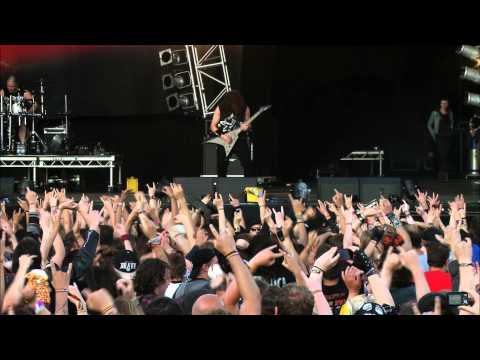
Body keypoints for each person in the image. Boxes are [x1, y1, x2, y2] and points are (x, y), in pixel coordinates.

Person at [210, 90, 253, 177]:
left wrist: (246, 127)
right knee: (221, 165)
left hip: (240, 139)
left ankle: (249, 186)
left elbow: (249, 125)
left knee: (247, 164)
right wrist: (222, 135)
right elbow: (213, 126)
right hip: (225, 140)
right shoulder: (220, 108)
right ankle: (221, 187)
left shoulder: (245, 108)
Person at [427, 98, 454, 181]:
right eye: (442, 103)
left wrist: (451, 130)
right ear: (440, 104)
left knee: (446, 156)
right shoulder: (435, 113)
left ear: (447, 104)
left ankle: (444, 176)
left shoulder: (450, 112)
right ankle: (440, 175)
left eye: (445, 103)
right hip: (439, 136)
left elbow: (452, 122)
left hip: (448, 136)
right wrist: (434, 135)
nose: (444, 104)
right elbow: (428, 124)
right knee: (441, 155)